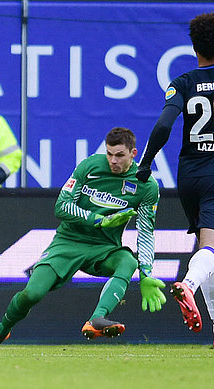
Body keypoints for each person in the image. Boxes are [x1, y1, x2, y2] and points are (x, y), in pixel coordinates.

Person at [0, 127, 165, 348]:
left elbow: (145, 231)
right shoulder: (90, 167)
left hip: (104, 248)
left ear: (133, 153)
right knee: (32, 294)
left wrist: (146, 274)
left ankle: (97, 319)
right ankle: (1, 329)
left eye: (120, 155)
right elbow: (61, 206)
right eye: (109, 154)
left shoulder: (147, 186)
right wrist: (98, 220)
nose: (113, 160)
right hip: (68, 241)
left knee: (128, 261)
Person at [136, 12, 214, 335]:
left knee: (207, 249)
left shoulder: (182, 83)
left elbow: (165, 125)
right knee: (209, 249)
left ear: (194, 47)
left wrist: (145, 163)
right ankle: (188, 284)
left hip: (189, 173)